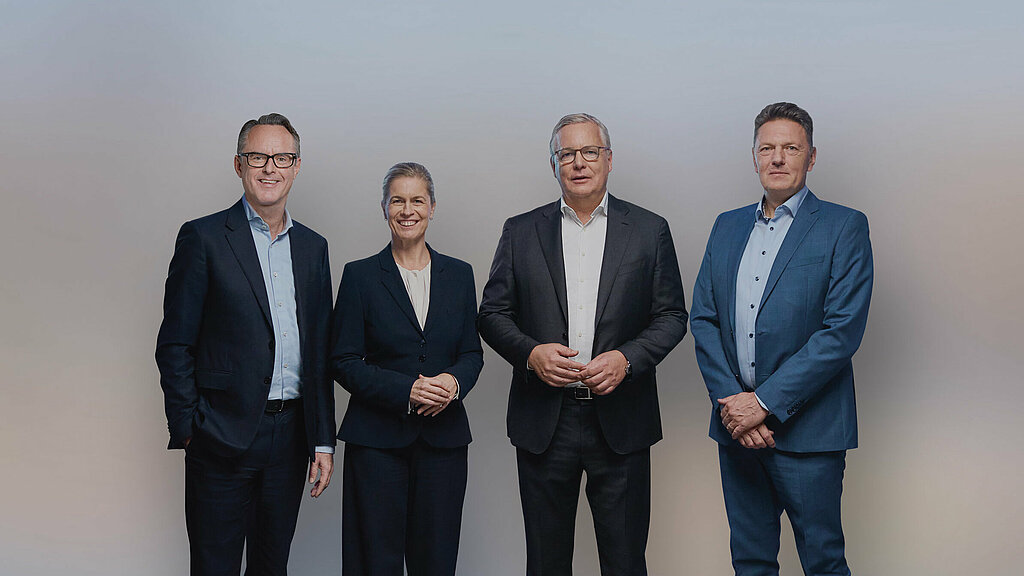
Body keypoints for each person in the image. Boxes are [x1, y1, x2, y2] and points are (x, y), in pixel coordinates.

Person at [477, 113, 688, 575]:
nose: (578, 162)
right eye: (566, 154)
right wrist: (531, 355)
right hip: (544, 421)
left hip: (622, 418)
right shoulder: (520, 231)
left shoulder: (650, 231)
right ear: (553, 164)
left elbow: (672, 316)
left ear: (609, 160)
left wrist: (628, 359)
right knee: (546, 563)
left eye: (589, 152)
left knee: (625, 561)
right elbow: (491, 315)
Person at [690, 102, 873, 575]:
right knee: (750, 562)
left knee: (823, 562)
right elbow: (704, 320)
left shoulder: (843, 226)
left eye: (790, 148)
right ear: (753, 157)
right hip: (736, 430)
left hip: (809, 432)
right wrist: (735, 405)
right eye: (767, 148)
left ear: (811, 158)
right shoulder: (727, 226)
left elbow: (841, 331)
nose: (777, 158)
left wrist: (764, 402)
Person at [155, 113, 336, 576]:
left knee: (272, 566)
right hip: (221, 436)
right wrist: (191, 428)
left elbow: (318, 352)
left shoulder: (313, 249)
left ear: (296, 167)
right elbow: (174, 343)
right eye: (258, 156)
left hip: (291, 437)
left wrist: (322, 439)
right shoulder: (204, 237)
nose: (269, 168)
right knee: (214, 566)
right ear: (239, 165)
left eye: (282, 157)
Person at [330, 162, 484, 576]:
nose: (407, 209)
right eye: (397, 200)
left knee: (436, 562)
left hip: (444, 445)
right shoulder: (359, 276)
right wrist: (406, 392)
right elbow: (342, 360)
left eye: (417, 200)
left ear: (432, 207)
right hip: (376, 445)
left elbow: (472, 353)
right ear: (384, 208)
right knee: (373, 563)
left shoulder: (460, 274)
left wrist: (453, 383)